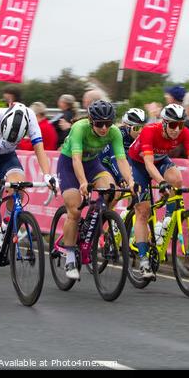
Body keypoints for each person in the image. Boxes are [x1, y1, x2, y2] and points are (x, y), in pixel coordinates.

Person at [0, 102, 56, 287]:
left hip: (6, 157)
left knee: (19, 185)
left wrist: (47, 174)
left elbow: (39, 148)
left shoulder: (30, 118)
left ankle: (5, 225)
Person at [128, 103, 189, 278]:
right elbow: (148, 164)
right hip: (139, 163)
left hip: (160, 159)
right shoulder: (150, 131)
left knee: (176, 179)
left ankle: (168, 220)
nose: (177, 129)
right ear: (165, 123)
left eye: (180, 124)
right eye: (173, 125)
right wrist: (160, 182)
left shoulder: (184, 132)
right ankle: (143, 261)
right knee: (143, 212)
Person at [57, 100, 135, 280]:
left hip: (92, 163)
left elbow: (121, 160)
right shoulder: (79, 128)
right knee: (75, 210)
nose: (104, 128)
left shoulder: (114, 132)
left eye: (108, 123)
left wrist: (131, 181)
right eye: (100, 124)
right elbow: (76, 160)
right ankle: (69, 256)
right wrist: (83, 182)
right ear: (91, 121)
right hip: (69, 164)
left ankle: (92, 219)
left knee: (112, 191)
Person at [99, 107, 147, 185]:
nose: (140, 131)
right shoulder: (118, 135)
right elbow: (115, 160)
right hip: (106, 164)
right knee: (113, 193)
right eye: (137, 128)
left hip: (122, 162)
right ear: (127, 127)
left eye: (143, 127)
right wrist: (121, 178)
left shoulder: (142, 136)